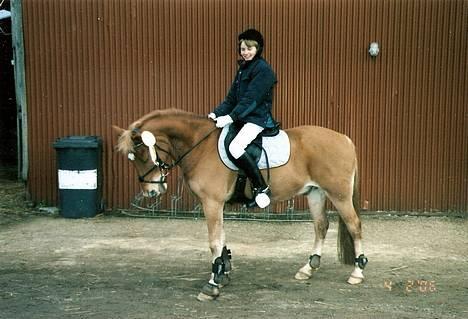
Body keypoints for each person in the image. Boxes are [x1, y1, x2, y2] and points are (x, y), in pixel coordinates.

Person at [208, 28, 278, 208]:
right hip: (242, 118)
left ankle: (261, 188)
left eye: (249, 48)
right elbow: (231, 99)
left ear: (258, 48)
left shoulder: (264, 71)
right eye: (242, 49)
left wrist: (230, 117)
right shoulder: (243, 70)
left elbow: (251, 100)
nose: (245, 52)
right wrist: (216, 113)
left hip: (256, 119)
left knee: (235, 146)